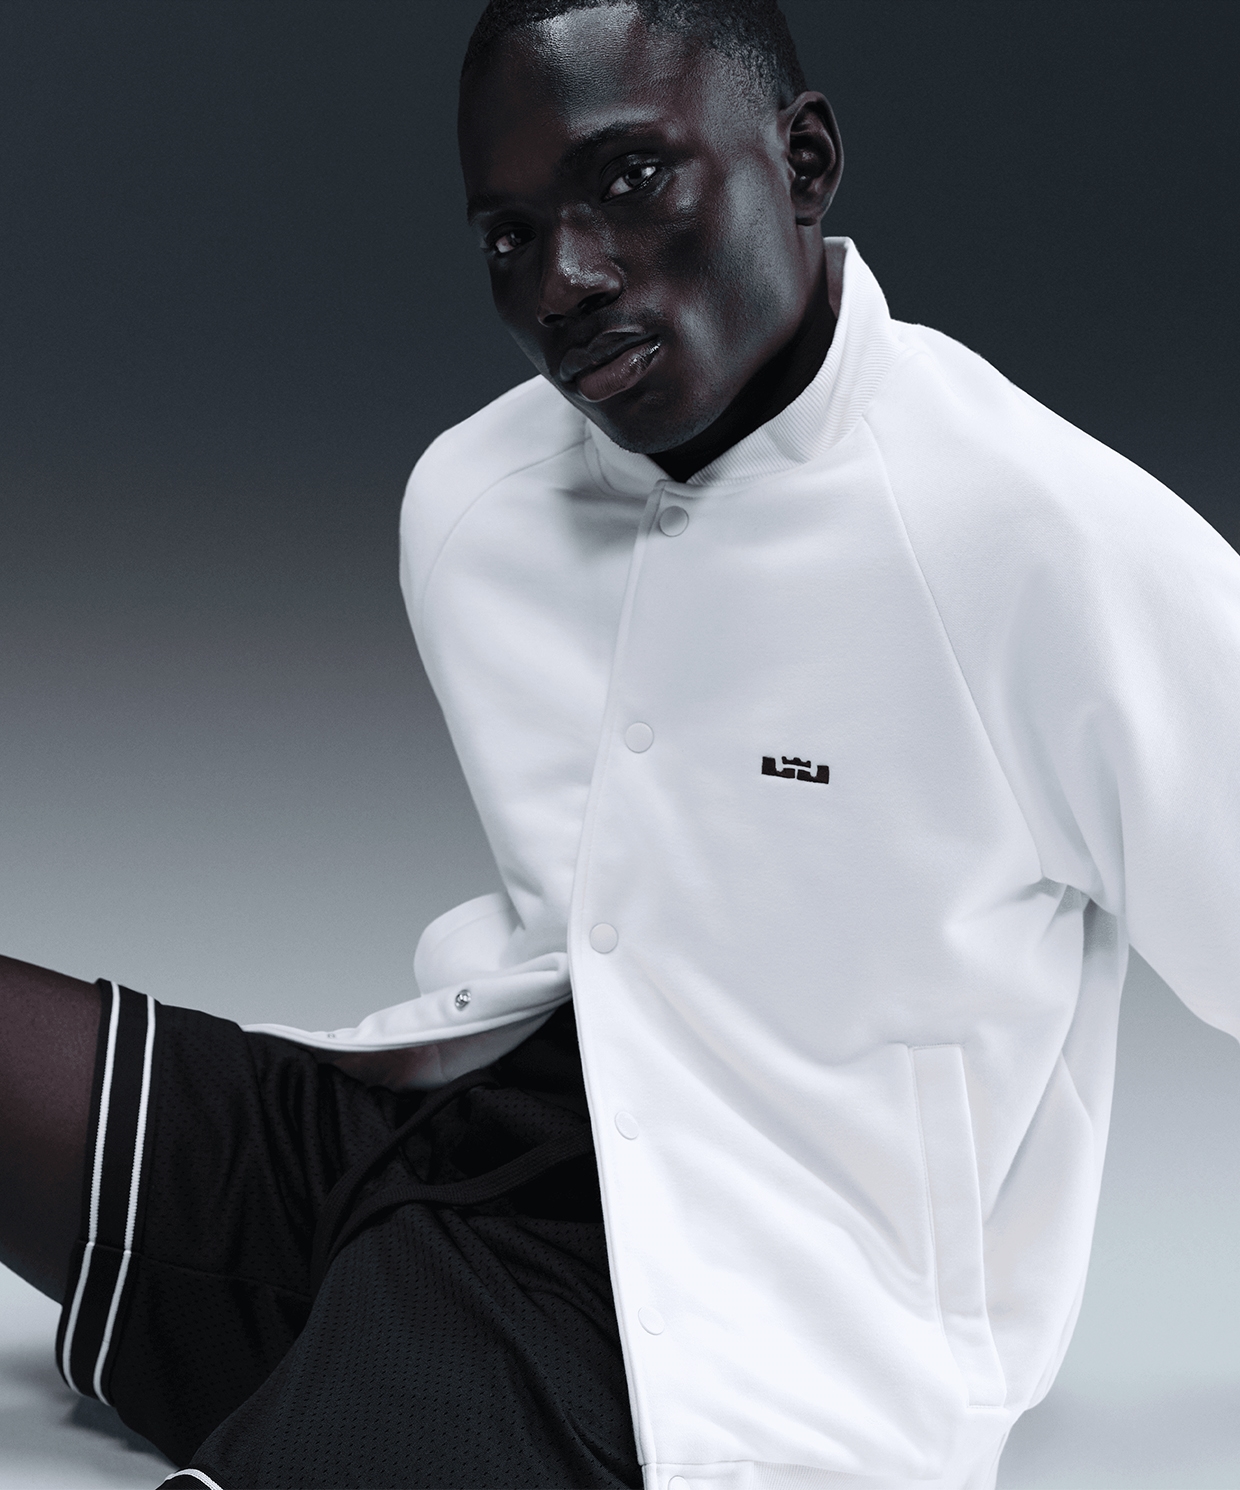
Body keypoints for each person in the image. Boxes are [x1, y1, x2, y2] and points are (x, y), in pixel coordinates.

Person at [2, 1, 1238, 1487]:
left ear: (803, 161)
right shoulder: (472, 509)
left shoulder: (1035, 539)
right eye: (509, 235)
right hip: (431, 1144)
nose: (565, 281)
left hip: (713, 1318)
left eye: (630, 181)